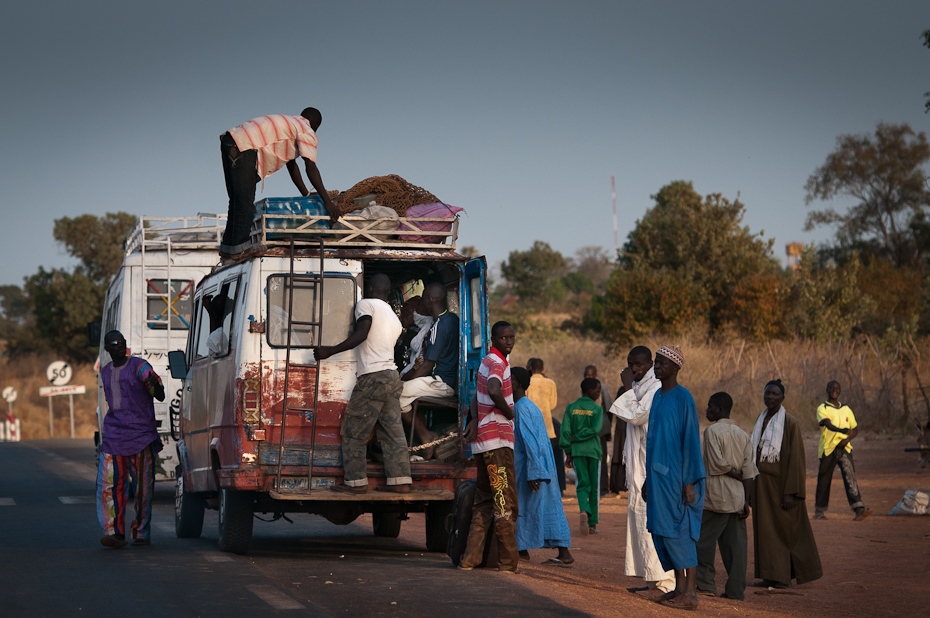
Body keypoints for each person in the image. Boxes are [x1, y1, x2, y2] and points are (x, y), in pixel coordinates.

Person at [314, 273, 412, 494]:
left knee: (353, 432)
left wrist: (330, 351)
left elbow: (362, 333)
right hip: (391, 376)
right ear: (388, 291)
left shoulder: (365, 304)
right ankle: (401, 482)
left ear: (368, 288)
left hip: (373, 377)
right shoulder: (394, 318)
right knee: (393, 433)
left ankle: (355, 483)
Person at [220, 108, 339, 255]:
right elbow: (311, 167)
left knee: (237, 200)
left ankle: (227, 248)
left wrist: (306, 194)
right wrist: (327, 201)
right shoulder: (306, 130)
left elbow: (292, 166)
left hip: (231, 140)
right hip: (245, 144)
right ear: (315, 126)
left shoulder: (291, 125)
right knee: (245, 202)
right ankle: (240, 249)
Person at [644, 344, 705, 610]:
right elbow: (654, 441)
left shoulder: (684, 398)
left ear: (676, 367)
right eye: (656, 362)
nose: (657, 367)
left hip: (678, 479)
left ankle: (691, 593)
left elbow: (690, 441)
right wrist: (648, 478)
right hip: (658, 479)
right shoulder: (657, 396)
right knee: (662, 530)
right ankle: (678, 587)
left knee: (680, 531)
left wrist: (689, 481)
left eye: (662, 363)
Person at [609, 346, 675, 595]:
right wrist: (630, 388)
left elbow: (637, 416)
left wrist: (626, 386)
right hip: (637, 466)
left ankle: (667, 581)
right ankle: (651, 577)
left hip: (652, 463)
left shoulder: (655, 388)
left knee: (654, 519)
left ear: (649, 365)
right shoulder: (640, 388)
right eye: (630, 364)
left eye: (639, 365)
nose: (634, 369)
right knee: (639, 518)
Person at [96, 330, 166, 548]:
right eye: (113, 345)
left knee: (143, 490)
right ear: (107, 349)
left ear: (125, 345)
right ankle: (114, 532)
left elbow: (159, 393)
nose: (118, 347)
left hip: (140, 436)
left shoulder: (140, 366)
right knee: (109, 487)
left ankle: (141, 532)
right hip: (114, 436)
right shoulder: (105, 372)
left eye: (121, 343)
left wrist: (153, 384)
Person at [459, 321, 519, 572]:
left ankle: (469, 559)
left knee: (483, 502)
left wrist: (474, 418)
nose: (509, 341)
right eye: (504, 338)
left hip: (484, 445)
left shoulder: (485, 361)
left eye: (511, 337)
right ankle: (508, 562)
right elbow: (494, 390)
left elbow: (477, 395)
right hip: (497, 444)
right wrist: (509, 413)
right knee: (505, 503)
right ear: (494, 339)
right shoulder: (497, 363)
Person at [750, 379, 823, 588]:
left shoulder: (790, 422)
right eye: (767, 393)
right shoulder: (761, 419)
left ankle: (784, 576)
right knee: (765, 533)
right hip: (761, 486)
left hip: (781, 487)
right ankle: (769, 575)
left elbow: (796, 459)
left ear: (783, 398)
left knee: (785, 531)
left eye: (775, 394)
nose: (770, 397)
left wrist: (791, 492)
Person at [696, 392, 758, 601]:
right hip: (736, 499)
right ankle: (735, 590)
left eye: (710, 407)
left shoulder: (712, 432)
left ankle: (705, 584)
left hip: (716, 498)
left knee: (702, 543)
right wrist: (746, 500)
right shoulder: (743, 434)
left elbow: (718, 464)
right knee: (737, 548)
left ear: (720, 409)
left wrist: (735, 475)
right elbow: (749, 470)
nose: (706, 410)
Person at [511, 367, 574, 566]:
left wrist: (534, 472)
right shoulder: (529, 406)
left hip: (531, 468)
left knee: (523, 506)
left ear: (518, 383)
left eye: (509, 379)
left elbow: (530, 442)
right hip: (541, 466)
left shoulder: (521, 408)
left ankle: (522, 549)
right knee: (548, 506)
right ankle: (558, 551)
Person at [399, 283, 459, 456]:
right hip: (445, 381)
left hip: (440, 383)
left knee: (395, 394)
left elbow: (427, 365)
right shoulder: (452, 319)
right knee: (404, 395)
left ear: (430, 300)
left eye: (424, 299)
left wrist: (405, 381)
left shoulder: (439, 325)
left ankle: (426, 436)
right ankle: (424, 437)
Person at [814, 381, 872, 521]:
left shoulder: (846, 409)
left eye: (837, 388)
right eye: (832, 388)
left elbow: (855, 429)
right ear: (827, 390)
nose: (834, 390)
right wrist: (841, 431)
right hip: (828, 449)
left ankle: (858, 508)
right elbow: (827, 424)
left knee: (850, 476)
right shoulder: (823, 408)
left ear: (840, 391)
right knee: (824, 479)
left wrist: (846, 440)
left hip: (844, 448)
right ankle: (819, 511)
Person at [560, 377, 603, 535]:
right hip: (593, 451)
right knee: (594, 486)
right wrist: (580, 436)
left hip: (577, 452)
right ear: (589, 391)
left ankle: (584, 510)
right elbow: (595, 429)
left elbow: (565, 432)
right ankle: (592, 524)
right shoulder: (597, 410)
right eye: (597, 391)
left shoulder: (571, 408)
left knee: (582, 484)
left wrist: (569, 450)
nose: (599, 394)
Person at [525, 358, 565, 492]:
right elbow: (553, 405)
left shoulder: (527, 382)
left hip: (531, 426)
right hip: (547, 427)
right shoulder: (550, 383)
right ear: (542, 368)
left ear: (530, 367)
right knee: (550, 461)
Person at [584, 365, 615, 497]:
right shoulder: (584, 388)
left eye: (591, 375)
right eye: (586, 375)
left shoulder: (603, 388)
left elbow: (609, 409)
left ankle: (603, 489)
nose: (588, 377)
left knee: (601, 458)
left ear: (596, 375)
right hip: (587, 430)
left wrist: (607, 430)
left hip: (601, 428)